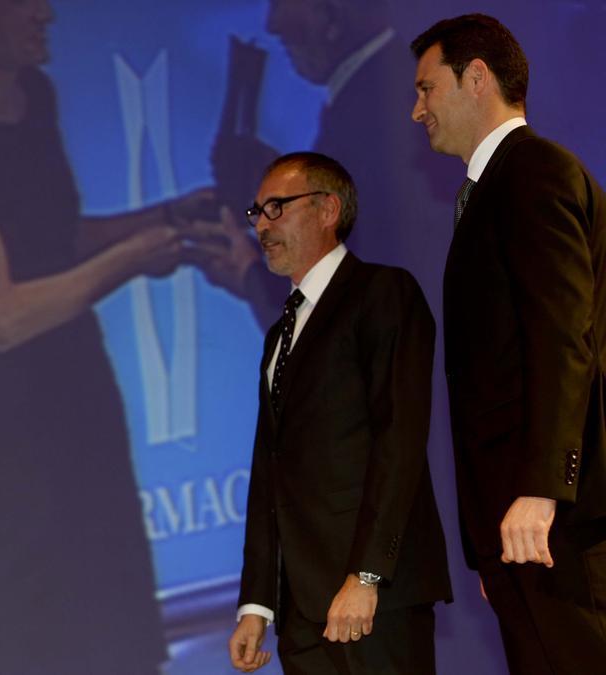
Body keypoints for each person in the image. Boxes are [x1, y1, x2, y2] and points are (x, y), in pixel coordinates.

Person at [0, 1, 213, 673]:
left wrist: (167, 216)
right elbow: (0, 316)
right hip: (3, 428)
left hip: (76, 394)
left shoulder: (35, 97)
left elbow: (53, 238)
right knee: (36, 624)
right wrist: (134, 258)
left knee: (111, 610)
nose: (47, 13)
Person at [410, 14, 606, 674]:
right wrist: (487, 545)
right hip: (521, 534)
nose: (417, 111)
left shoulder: (534, 172)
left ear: (476, 79)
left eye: (426, 89)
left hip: (556, 527)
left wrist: (542, 491)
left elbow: (561, 335)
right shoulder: (491, 190)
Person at [227, 152, 451, 674]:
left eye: (276, 207)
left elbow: (400, 440)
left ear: (328, 209)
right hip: (302, 610)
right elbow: (271, 470)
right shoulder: (279, 334)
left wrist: (368, 575)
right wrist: (257, 603)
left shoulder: (382, 293)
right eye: (255, 212)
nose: (261, 224)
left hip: (371, 596)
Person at [202, 0, 452, 328]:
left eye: (280, 4)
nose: (271, 24)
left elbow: (336, 316)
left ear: (331, 13)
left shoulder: (372, 120)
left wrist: (250, 272)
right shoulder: (407, 89)